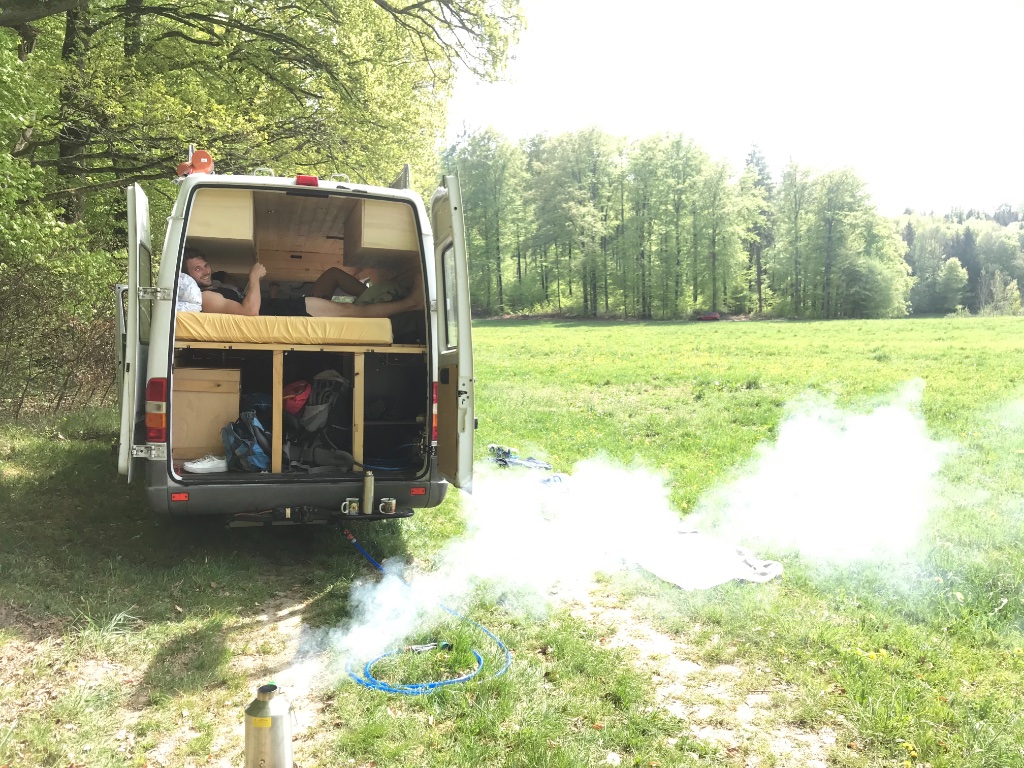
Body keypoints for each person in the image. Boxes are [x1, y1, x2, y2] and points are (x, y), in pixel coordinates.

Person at [181, 248, 422, 318]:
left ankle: (380, 298)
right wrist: (253, 277)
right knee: (352, 311)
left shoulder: (216, 288)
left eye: (205, 265)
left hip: (285, 308)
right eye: (197, 269)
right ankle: (411, 303)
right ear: (188, 276)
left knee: (337, 284)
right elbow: (250, 312)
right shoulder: (206, 298)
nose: (205, 271)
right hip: (286, 312)